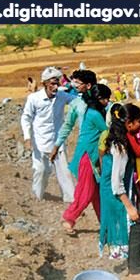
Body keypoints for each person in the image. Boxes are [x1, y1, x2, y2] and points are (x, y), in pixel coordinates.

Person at [98, 103, 140, 280]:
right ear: (129, 123)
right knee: (136, 225)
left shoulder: (122, 139)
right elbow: (117, 182)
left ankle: (133, 266)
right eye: (139, 121)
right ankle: (134, 271)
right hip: (115, 193)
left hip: (113, 191)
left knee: (134, 226)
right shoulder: (120, 147)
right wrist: (129, 206)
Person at [20, 66, 78, 203]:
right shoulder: (34, 98)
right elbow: (26, 117)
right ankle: (37, 198)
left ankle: (72, 202)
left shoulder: (62, 96)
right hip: (40, 142)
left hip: (58, 142)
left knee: (65, 173)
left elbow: (77, 102)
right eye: (52, 83)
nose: (55, 86)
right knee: (41, 171)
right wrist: (27, 137)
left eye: (57, 83)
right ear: (44, 84)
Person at [62, 84, 111, 235]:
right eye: (105, 99)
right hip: (88, 157)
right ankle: (69, 219)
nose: (107, 102)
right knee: (86, 192)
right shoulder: (95, 115)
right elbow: (106, 132)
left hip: (90, 156)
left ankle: (106, 223)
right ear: (98, 99)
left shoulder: (92, 112)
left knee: (97, 192)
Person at [50, 69, 97, 168]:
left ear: (88, 85)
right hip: (85, 147)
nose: (74, 85)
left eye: (78, 83)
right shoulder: (76, 103)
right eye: (74, 82)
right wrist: (56, 146)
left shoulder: (102, 102)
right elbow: (67, 125)